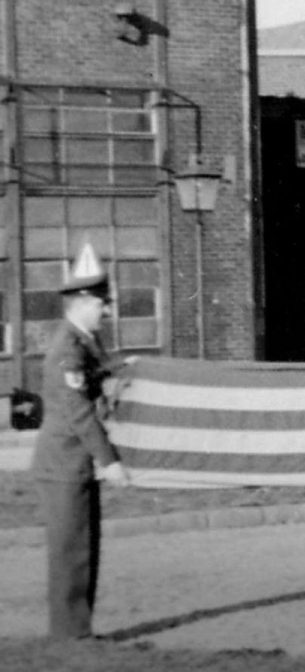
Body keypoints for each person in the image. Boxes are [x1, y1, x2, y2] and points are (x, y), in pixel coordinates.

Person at [30, 247, 131, 640]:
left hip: (72, 464)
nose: (106, 311)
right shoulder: (68, 349)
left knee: (84, 547)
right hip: (63, 465)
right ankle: (69, 636)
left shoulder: (84, 341)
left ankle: (78, 631)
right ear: (84, 302)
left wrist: (127, 367)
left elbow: (101, 374)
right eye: (103, 303)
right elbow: (79, 414)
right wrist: (109, 461)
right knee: (71, 551)